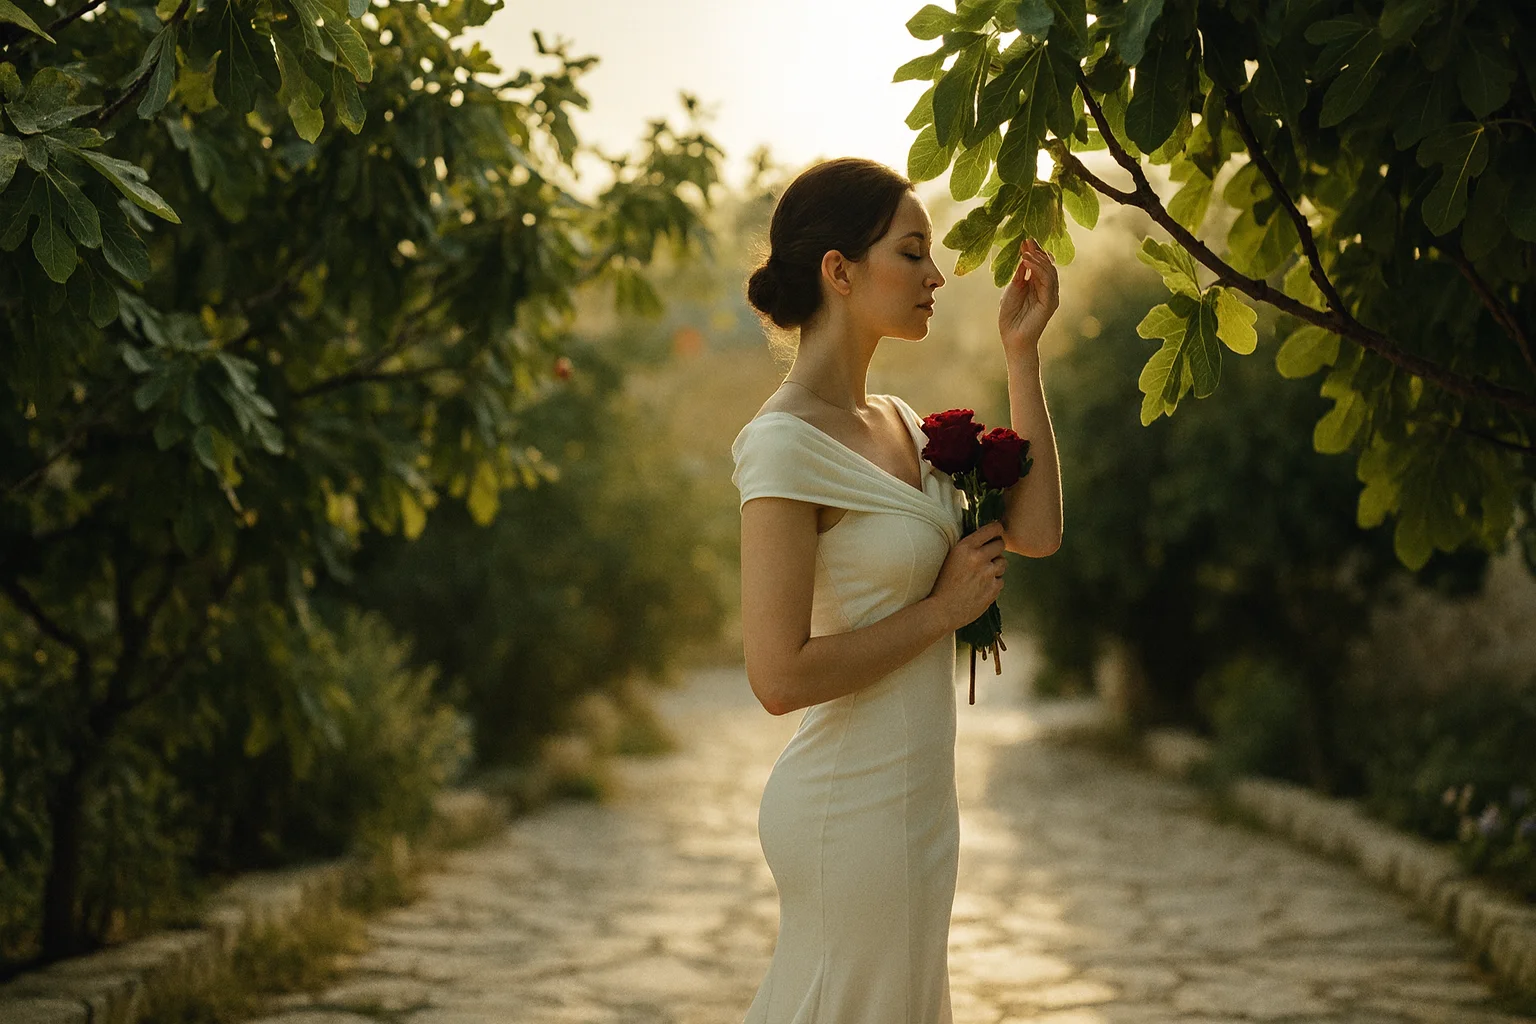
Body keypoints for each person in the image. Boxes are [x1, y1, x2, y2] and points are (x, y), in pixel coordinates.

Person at [729, 156, 1063, 1023]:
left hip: (919, 808)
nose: (936, 275)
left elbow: (1034, 533)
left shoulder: (907, 426)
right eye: (912, 252)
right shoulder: (781, 445)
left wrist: (1021, 359)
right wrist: (941, 613)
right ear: (839, 271)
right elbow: (777, 676)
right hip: (849, 811)